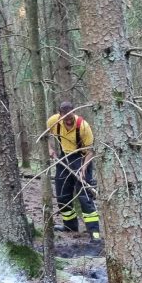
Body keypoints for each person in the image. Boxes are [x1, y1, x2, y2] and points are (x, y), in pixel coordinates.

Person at [47, 102, 101, 241]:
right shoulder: (53, 121)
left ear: (74, 112)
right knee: (62, 195)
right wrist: (50, 149)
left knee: (84, 196)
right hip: (64, 158)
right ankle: (70, 226)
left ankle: (94, 231)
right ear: (60, 115)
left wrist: (83, 169)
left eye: (71, 116)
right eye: (65, 117)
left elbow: (90, 151)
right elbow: (46, 136)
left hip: (82, 158)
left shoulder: (83, 126)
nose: (68, 120)